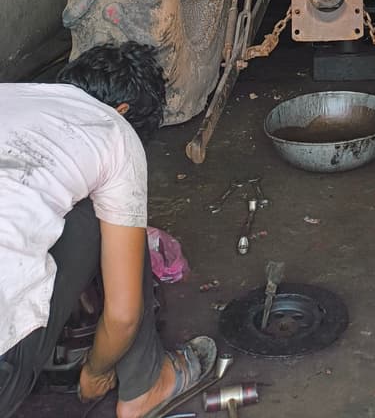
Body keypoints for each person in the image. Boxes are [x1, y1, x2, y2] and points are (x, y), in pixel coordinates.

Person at [0, 42, 214, 418]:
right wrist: (97, 372)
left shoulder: (11, 95)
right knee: (111, 219)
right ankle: (146, 386)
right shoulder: (113, 130)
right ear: (123, 111)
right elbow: (123, 316)